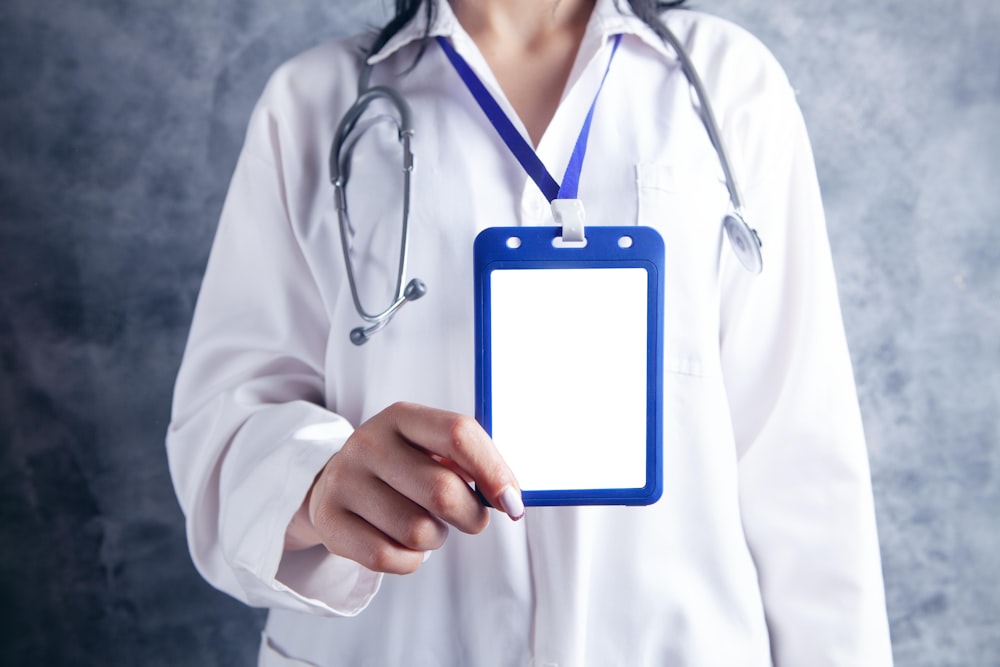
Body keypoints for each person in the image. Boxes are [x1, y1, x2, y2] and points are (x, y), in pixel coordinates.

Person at [166, 0, 894, 664]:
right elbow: (221, 436)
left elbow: (805, 465)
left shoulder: (726, 84)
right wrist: (317, 480)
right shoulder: (314, 104)